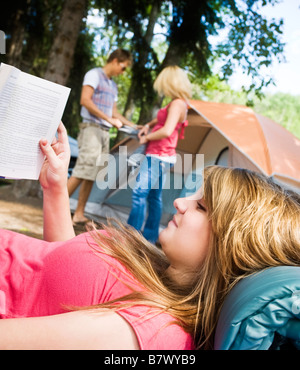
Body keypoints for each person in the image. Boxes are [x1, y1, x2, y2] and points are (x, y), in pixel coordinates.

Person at [0, 123, 300, 350]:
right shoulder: (156, 272)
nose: (180, 203)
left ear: (232, 245)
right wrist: (55, 187)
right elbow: (54, 276)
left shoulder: (153, 329)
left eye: (201, 206)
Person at [68, 49, 137, 226]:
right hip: (91, 129)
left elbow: (114, 113)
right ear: (115, 61)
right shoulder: (94, 75)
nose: (123, 72)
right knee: (83, 169)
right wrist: (108, 119)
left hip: (104, 132)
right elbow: (85, 100)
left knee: (92, 173)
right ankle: (54, 206)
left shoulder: (113, 86)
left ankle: (79, 214)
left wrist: (134, 126)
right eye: (123, 67)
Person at [127, 65, 191, 243]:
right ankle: (150, 237)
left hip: (158, 155)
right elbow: (162, 119)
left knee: (139, 193)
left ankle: (130, 236)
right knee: (154, 197)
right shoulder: (178, 103)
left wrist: (146, 137)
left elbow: (167, 130)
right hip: (163, 156)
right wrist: (148, 125)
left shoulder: (177, 104)